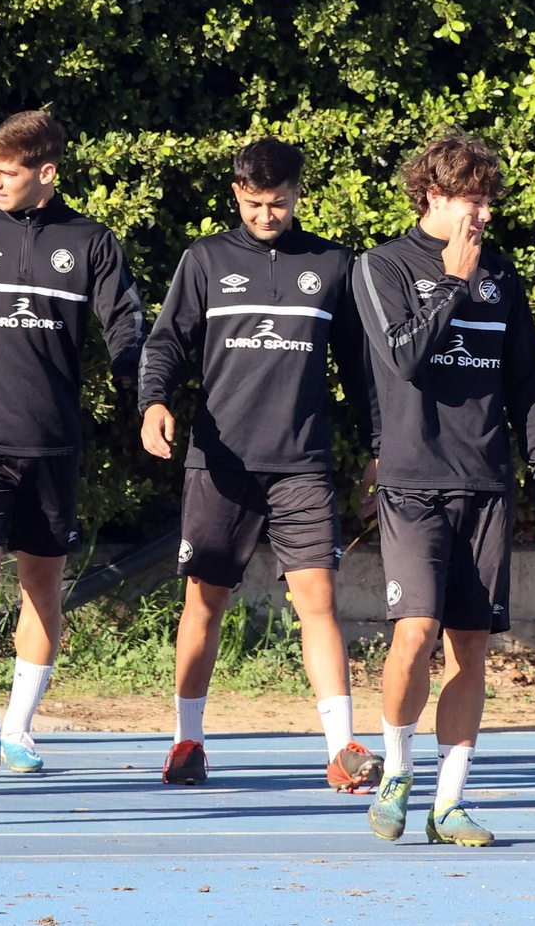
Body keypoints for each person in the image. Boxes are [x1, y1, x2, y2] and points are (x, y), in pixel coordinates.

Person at [138, 137, 384, 790]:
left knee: (318, 601)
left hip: (301, 465)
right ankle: (187, 741)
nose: (265, 216)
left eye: (277, 203)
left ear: (299, 194)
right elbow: (165, 342)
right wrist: (153, 402)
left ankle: (343, 748)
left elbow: (363, 372)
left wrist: (380, 447)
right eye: (253, 204)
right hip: (219, 465)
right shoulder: (205, 260)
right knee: (204, 601)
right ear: (235, 196)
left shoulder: (334, 265)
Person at [353, 131, 535, 847]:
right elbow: (406, 358)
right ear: (432, 197)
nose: (479, 214)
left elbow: (527, 384)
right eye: (467, 200)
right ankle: (398, 773)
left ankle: (450, 801)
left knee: (470, 646)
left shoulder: (504, 278)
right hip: (413, 483)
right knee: (414, 633)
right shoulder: (380, 267)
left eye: (486, 201)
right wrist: (451, 279)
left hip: (485, 484)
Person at [0, 110, 145, 774]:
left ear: (45, 173)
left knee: (41, 583)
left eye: (8, 172)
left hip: (52, 445)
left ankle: (20, 729)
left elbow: (126, 328)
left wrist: (149, 391)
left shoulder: (91, 241)